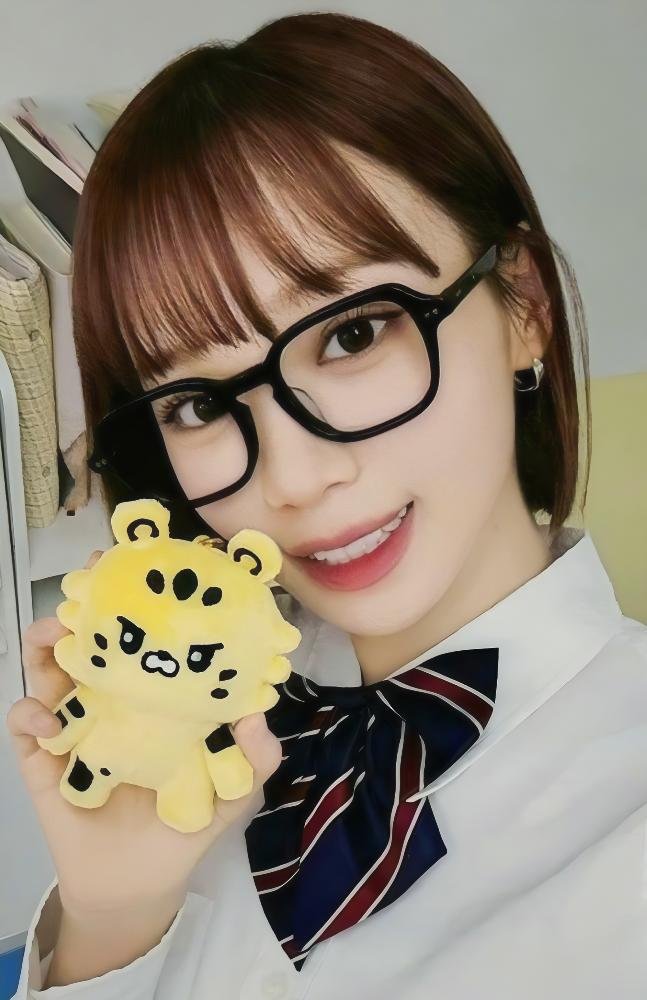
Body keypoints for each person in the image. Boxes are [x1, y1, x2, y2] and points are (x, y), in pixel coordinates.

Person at [7, 11, 647, 999]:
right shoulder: (187, 716)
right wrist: (110, 921)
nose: (294, 479)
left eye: (352, 335)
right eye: (196, 404)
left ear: (522, 305)